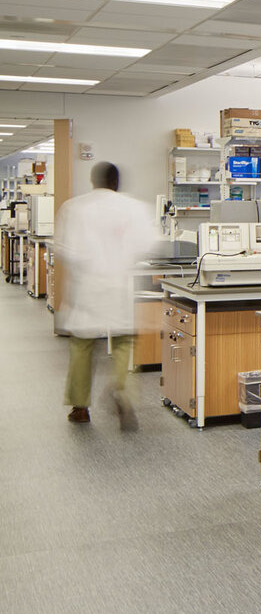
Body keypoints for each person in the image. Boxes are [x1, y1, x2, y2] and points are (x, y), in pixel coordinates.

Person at [56, 162, 159, 428]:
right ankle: (122, 390)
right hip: (119, 284)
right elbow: (148, 244)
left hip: (88, 286)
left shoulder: (76, 207)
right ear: (117, 183)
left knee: (82, 345)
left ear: (94, 181)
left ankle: (80, 408)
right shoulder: (133, 207)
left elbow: (66, 250)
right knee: (124, 341)